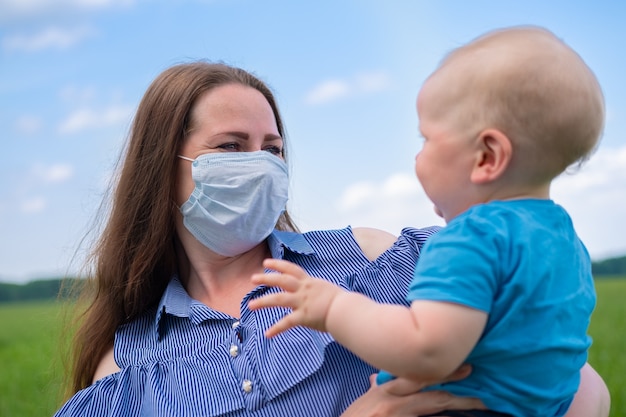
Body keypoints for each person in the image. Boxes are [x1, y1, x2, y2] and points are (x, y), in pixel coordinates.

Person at [53, 60, 609, 417]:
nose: (261, 165)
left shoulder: (373, 256)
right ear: (160, 168)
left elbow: (580, 388)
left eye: (272, 149)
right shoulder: (127, 367)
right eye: (230, 147)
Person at [249, 26, 606, 417]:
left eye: (426, 140)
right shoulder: (563, 238)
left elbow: (425, 349)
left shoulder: (470, 239)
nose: (417, 157)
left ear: (487, 157)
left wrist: (333, 306)